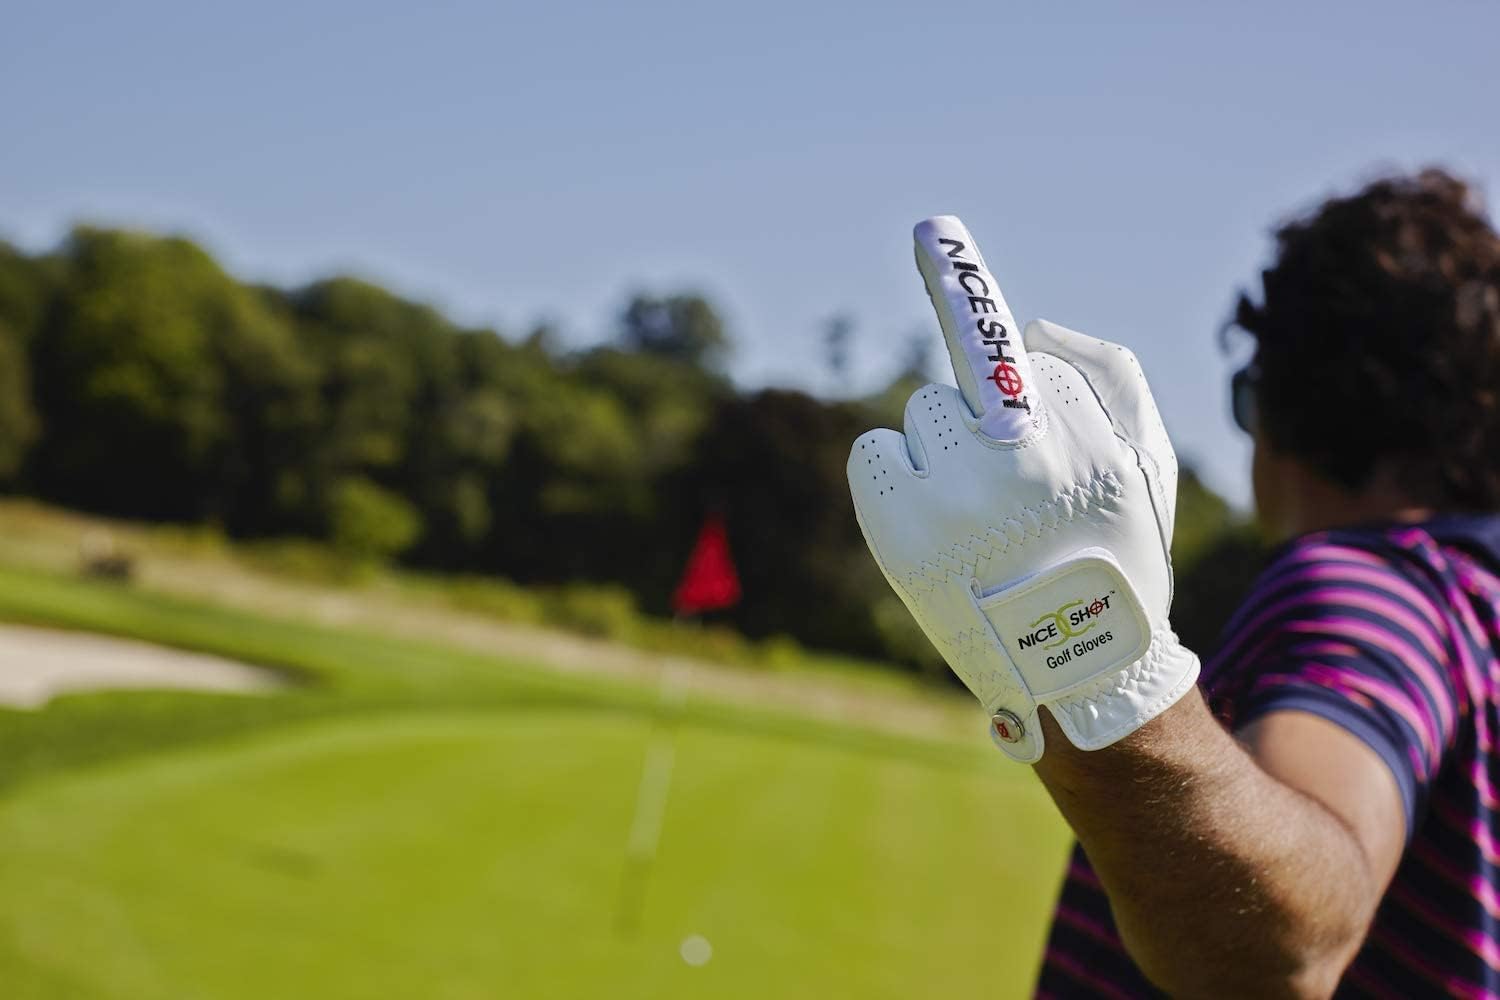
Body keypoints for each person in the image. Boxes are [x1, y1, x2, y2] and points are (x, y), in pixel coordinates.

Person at [847, 170, 1500, 998]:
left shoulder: (1366, 590)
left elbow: (1286, 950)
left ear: (1282, 403)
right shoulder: (1476, 607)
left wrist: (1091, 660)